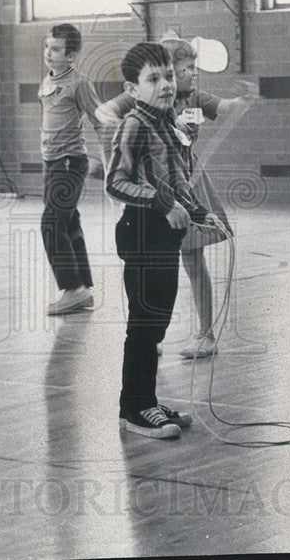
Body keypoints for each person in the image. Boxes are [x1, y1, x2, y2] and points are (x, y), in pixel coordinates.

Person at [96, 36, 258, 358]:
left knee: (193, 261)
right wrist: (119, 127)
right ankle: (146, 337)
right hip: (153, 189)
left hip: (186, 184)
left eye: (185, 70)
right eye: (186, 69)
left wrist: (242, 101)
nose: (191, 74)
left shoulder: (193, 97)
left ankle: (205, 334)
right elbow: (104, 112)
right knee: (149, 267)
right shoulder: (144, 103)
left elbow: (224, 108)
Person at [106, 42, 222, 439]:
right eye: (153, 79)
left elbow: (176, 183)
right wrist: (161, 203)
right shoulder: (134, 124)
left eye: (169, 76)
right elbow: (116, 181)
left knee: (156, 322)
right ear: (133, 89)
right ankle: (134, 409)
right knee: (144, 325)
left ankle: (147, 401)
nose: (166, 85)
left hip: (165, 235)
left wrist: (201, 212)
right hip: (141, 232)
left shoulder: (168, 123)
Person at [38, 23, 104, 316]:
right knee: (67, 222)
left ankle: (72, 288)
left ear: (72, 55)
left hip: (69, 162)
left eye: (55, 49)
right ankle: (83, 289)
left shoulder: (80, 83)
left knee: (51, 223)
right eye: (47, 47)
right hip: (51, 163)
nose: (48, 53)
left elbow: (99, 120)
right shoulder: (47, 81)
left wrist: (110, 160)